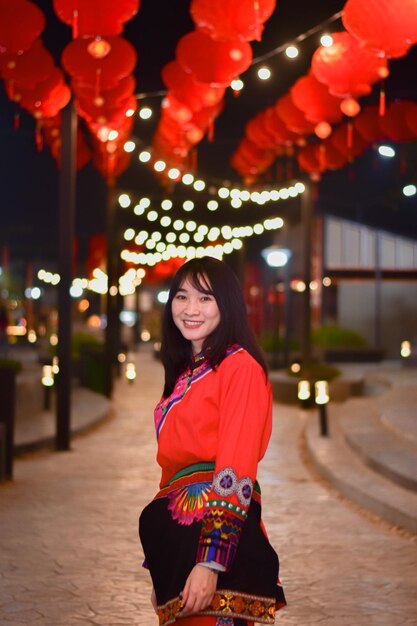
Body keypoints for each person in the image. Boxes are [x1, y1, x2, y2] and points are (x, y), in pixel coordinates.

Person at [139, 257, 286, 626]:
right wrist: (161, 560)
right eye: (182, 297)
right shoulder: (186, 373)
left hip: (217, 546)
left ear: (228, 304)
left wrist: (210, 562)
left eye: (205, 298)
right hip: (179, 545)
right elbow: (172, 474)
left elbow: (234, 471)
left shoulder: (240, 368)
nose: (191, 309)